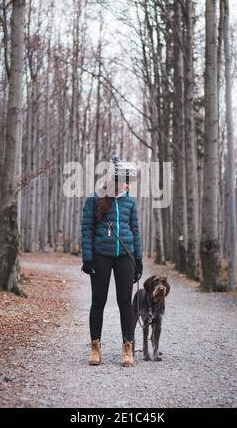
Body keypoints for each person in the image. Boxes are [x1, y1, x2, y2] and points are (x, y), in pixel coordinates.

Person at [81, 155, 143, 367]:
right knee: (98, 302)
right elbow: (87, 229)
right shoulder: (94, 199)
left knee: (125, 303)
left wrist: (139, 259)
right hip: (100, 256)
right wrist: (87, 258)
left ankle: (128, 347)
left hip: (126, 256)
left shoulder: (130, 201)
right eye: (124, 179)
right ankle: (95, 347)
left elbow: (135, 231)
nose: (127, 184)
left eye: (129, 180)